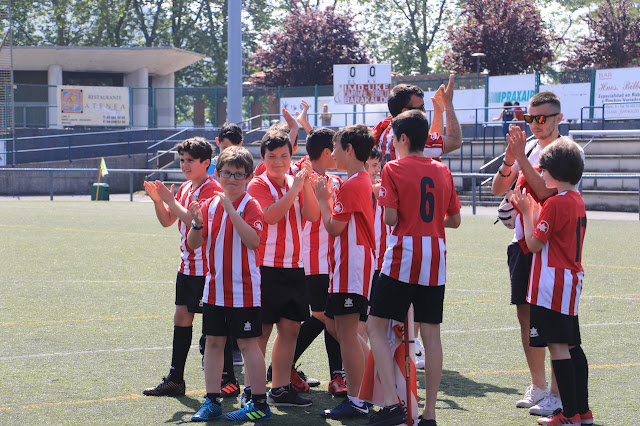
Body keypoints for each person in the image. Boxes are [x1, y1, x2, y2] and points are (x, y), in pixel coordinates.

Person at [366, 110, 461, 426]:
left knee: (375, 326)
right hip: (436, 257)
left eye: (394, 137)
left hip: (403, 256)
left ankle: (392, 404)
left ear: (403, 138)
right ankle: (430, 415)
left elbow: (390, 219)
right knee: (431, 335)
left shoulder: (392, 168)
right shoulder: (442, 170)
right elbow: (454, 220)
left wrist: (381, 196)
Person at [491, 92, 584, 416]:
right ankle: (539, 386)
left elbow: (547, 192)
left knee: (555, 324)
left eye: (541, 118)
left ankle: (558, 396)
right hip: (523, 242)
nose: (534, 124)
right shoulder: (526, 147)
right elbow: (496, 189)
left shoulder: (564, 151)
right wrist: (509, 158)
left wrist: (523, 160)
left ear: (558, 117)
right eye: (530, 118)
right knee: (526, 315)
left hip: (548, 249)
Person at [511, 139, 592, 426]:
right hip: (570, 280)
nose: (540, 175)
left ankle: (568, 414)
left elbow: (534, 244)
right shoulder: (577, 200)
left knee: (558, 347)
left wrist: (526, 212)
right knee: (572, 345)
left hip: (551, 283)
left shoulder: (555, 203)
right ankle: (582, 410)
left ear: (556, 173)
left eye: (543, 170)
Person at [187, 146, 270, 422]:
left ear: (248, 176)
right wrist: (197, 224)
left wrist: (232, 210)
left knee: (249, 346)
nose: (232, 179)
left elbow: (253, 241)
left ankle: (259, 403)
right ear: (218, 173)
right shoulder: (210, 205)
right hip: (214, 289)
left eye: (238, 174)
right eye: (226, 173)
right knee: (213, 343)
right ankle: (212, 400)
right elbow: (194, 244)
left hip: (244, 290)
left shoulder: (251, 205)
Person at [142, 137, 222, 397]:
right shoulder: (186, 189)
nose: (185, 165)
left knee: (214, 326)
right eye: (183, 160)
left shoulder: (211, 188)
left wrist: (170, 198)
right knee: (181, 318)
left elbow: (196, 222)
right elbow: (168, 220)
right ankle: (176, 378)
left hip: (207, 270)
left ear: (206, 163)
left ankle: (227, 379)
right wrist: (158, 200)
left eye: (190, 161)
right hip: (187, 267)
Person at [246, 129, 320, 407]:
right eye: (272, 156)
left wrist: (307, 186)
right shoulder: (258, 184)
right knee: (261, 332)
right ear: (262, 158)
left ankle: (279, 389)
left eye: (284, 156)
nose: (278, 162)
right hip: (265, 267)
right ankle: (253, 391)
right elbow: (271, 217)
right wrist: (295, 189)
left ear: (292, 156)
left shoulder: (296, 180)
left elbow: (313, 216)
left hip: (294, 267)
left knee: (290, 329)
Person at [316, 124, 376, 419]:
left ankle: (357, 399)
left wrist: (322, 200)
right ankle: (370, 388)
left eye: (337, 147)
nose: (333, 153)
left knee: (348, 333)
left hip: (353, 264)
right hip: (349, 264)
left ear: (349, 149)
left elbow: (333, 227)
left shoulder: (353, 184)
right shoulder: (357, 180)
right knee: (336, 326)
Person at [289, 126, 346, 397]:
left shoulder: (333, 180)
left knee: (328, 316)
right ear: (326, 152)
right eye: (336, 148)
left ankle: (337, 375)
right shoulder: (303, 178)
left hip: (331, 261)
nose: (339, 153)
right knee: (323, 316)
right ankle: (284, 366)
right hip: (313, 261)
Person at [372, 74, 462, 167]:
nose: (424, 111)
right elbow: (455, 141)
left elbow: (430, 146)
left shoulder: (385, 128)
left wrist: (438, 112)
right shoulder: (410, 137)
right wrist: (448, 104)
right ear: (406, 112)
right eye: (421, 107)